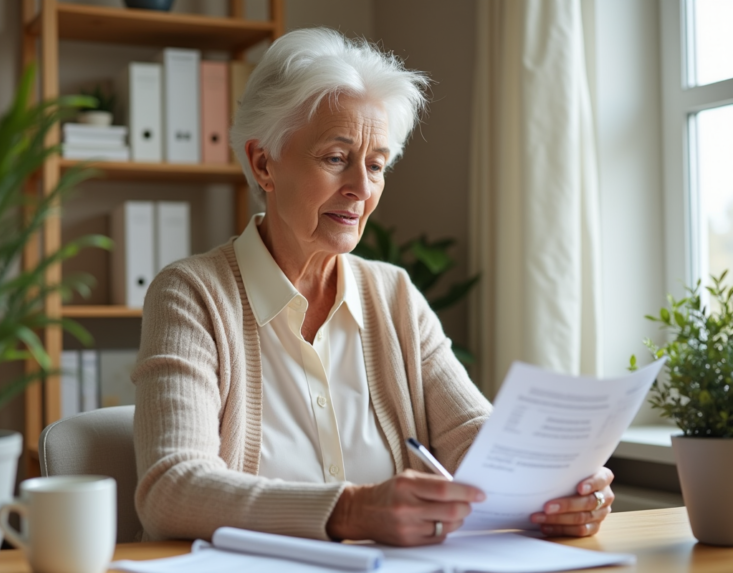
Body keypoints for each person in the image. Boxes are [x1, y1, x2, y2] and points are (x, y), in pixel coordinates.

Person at [132, 27, 614, 546]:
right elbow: (170, 489)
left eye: (377, 164)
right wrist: (353, 510)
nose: (361, 189)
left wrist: (555, 487)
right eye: (336, 158)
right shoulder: (191, 295)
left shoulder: (395, 296)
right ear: (263, 163)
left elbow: (476, 438)